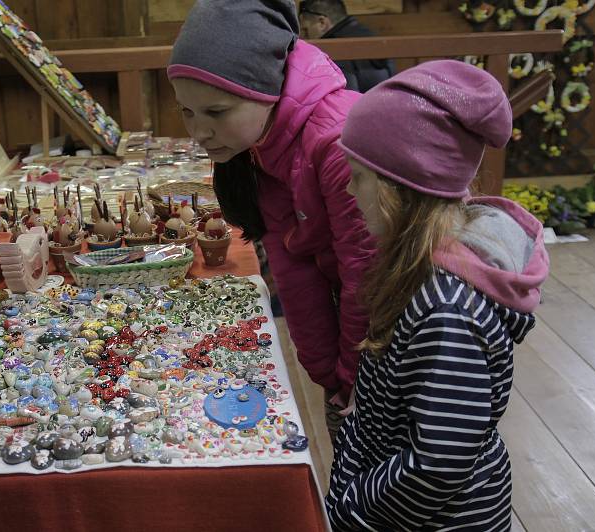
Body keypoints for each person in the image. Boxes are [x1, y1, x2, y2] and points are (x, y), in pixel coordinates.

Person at [325, 60, 549, 530]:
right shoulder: (423, 271)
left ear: (396, 190)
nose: (348, 188)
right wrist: (370, 402)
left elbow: (438, 464)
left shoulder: (446, 310)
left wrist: (356, 510)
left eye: (358, 175)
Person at [167, 0, 377, 439]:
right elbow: (291, 260)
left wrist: (352, 374)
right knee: (351, 465)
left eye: (216, 112)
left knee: (396, 480)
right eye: (187, 111)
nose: (198, 132)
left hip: (393, 332)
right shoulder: (264, 144)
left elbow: (368, 276)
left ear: (265, 90)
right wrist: (324, 369)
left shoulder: (337, 141)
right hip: (357, 330)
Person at [298, 0, 394, 92]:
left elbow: (348, 97)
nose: (304, 38)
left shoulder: (333, 49)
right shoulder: (368, 34)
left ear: (322, 23)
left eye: (306, 30)